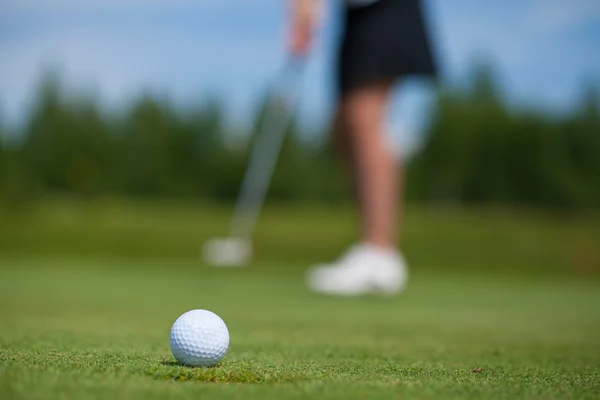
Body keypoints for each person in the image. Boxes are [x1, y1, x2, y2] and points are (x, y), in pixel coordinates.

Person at [288, 0, 438, 295]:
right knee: (343, 129)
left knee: (363, 117)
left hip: (386, 8)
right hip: (356, 15)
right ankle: (372, 247)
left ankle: (380, 253)